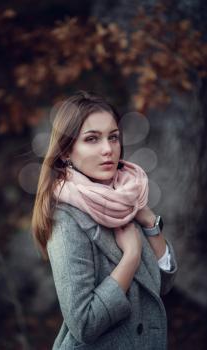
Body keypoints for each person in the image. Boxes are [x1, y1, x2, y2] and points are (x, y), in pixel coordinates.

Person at [31, 90, 178, 350]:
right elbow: (84, 324)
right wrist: (131, 256)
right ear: (66, 152)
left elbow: (162, 285)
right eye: (92, 139)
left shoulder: (123, 198)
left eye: (113, 137)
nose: (108, 149)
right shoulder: (66, 220)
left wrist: (150, 223)